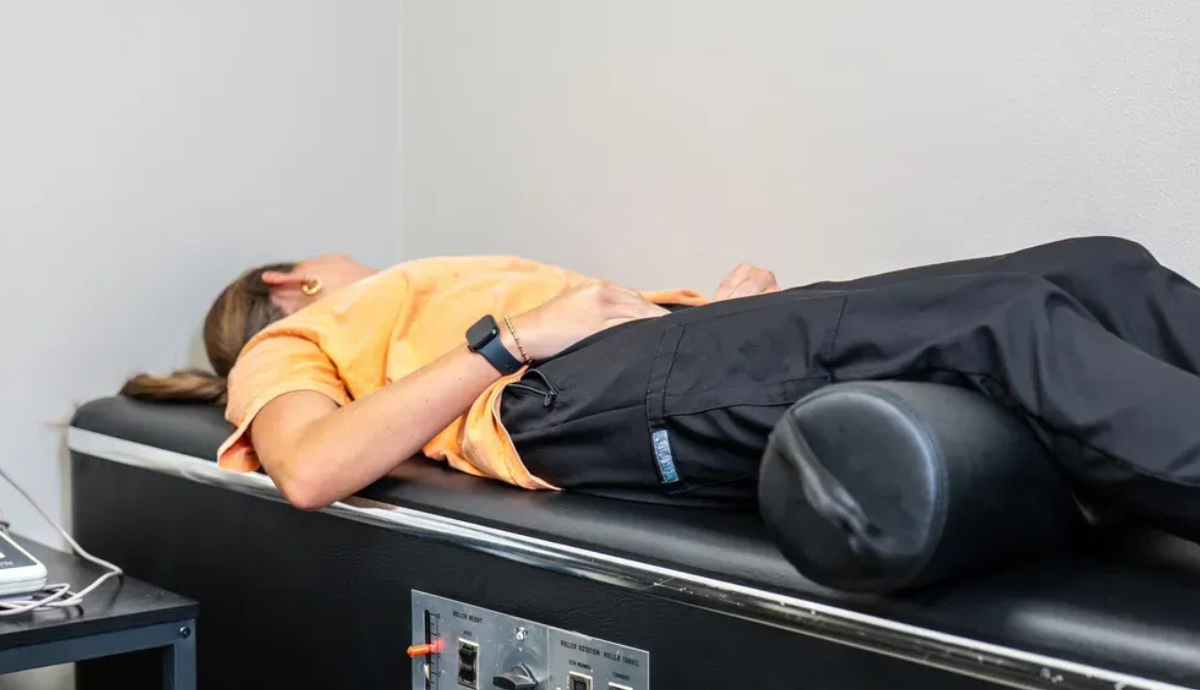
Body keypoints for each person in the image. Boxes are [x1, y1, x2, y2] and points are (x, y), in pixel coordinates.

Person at [122, 238, 1200, 542]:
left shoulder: (402, 307)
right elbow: (313, 471)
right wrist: (510, 341)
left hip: (644, 365)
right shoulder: (293, 339)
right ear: (286, 283)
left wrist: (711, 315)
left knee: (1098, 270)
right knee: (997, 322)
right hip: (567, 394)